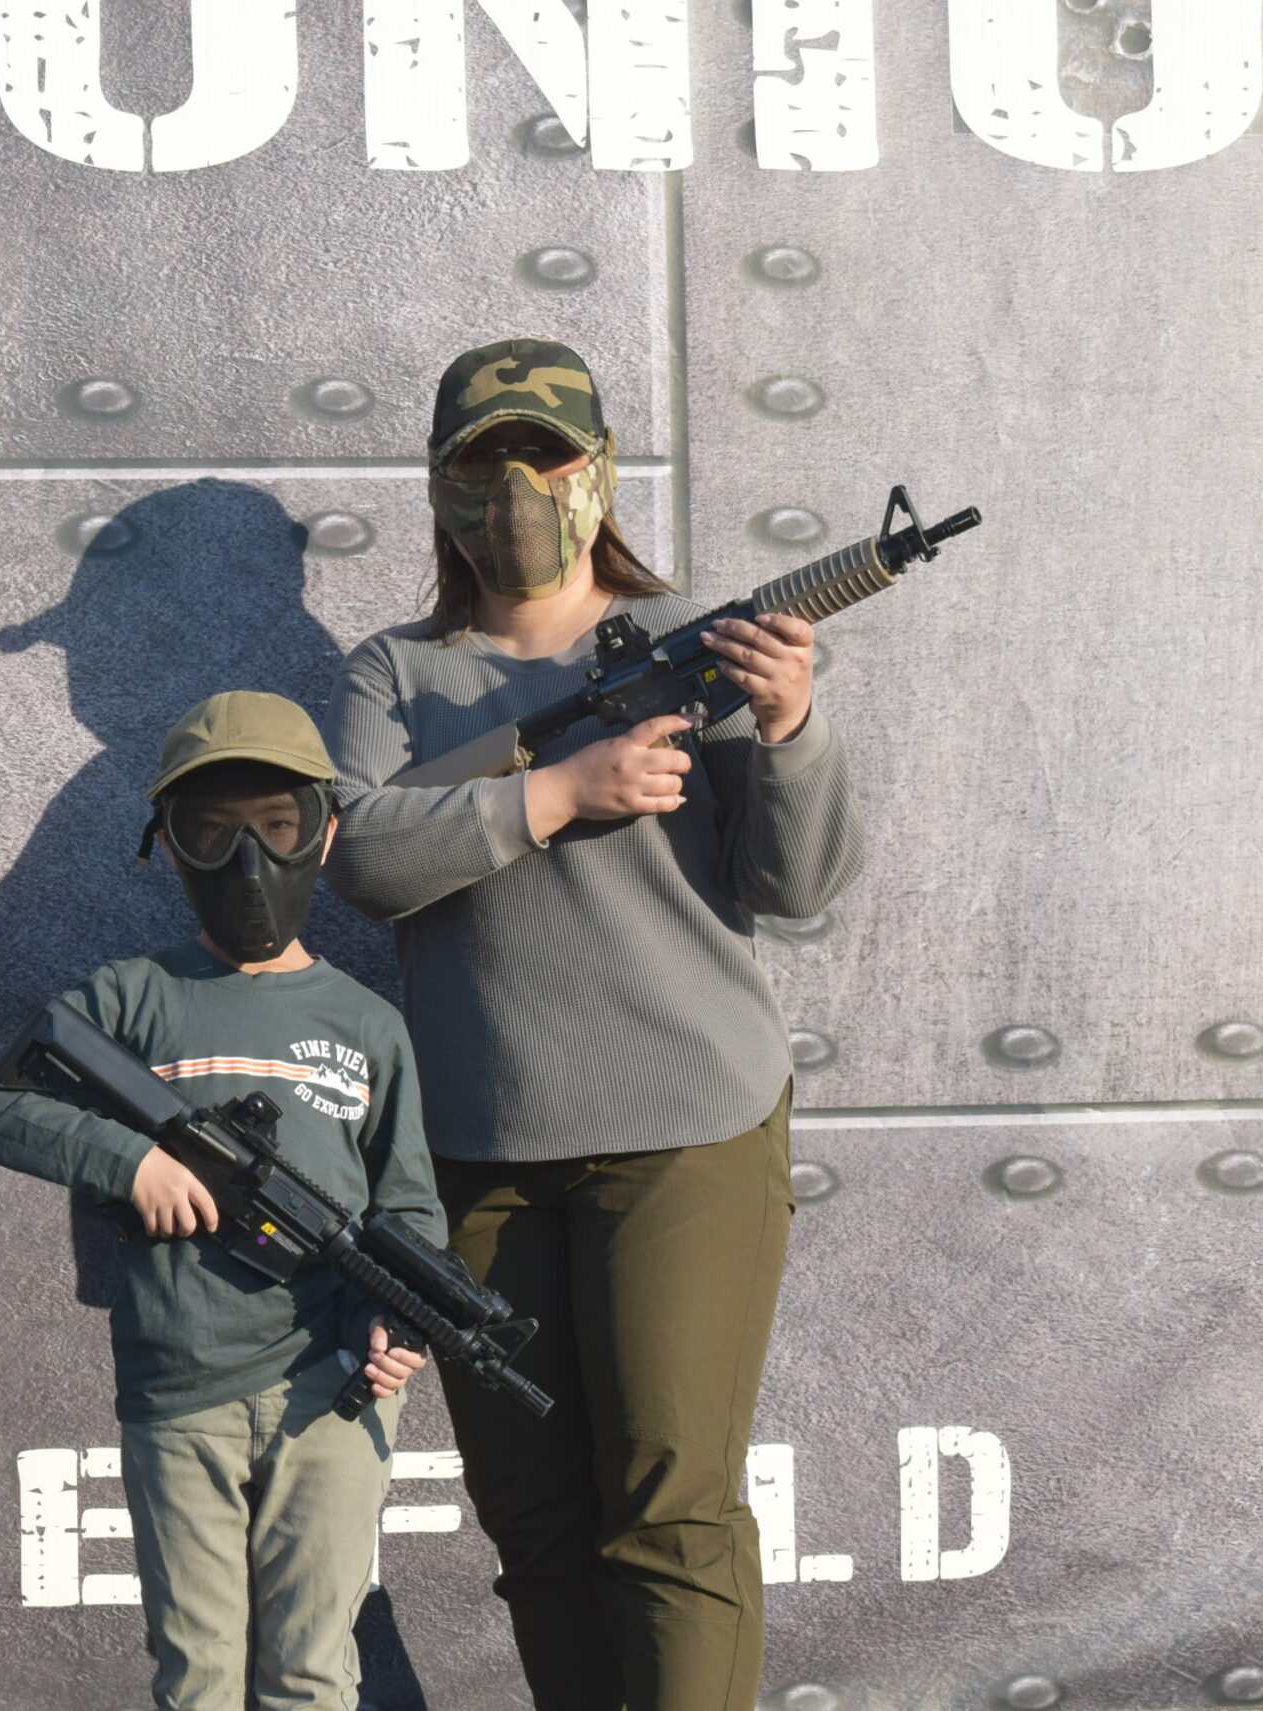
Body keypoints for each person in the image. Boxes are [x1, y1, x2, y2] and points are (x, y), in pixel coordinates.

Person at [321, 338, 865, 1711]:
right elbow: (361, 857)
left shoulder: (701, 640)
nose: (517, 488)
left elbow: (794, 885)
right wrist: (560, 791)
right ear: (437, 485)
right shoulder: (394, 676)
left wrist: (790, 723)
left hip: (686, 1126)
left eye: (545, 454)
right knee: (539, 1526)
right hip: (481, 1149)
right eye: (483, 460)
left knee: (672, 1512)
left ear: (598, 470)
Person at [0, 691, 439, 1711]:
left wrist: (401, 1320)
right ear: (168, 843)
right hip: (179, 1386)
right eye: (211, 831)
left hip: (335, 1390)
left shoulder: (367, 1023)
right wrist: (128, 1162)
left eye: (278, 825)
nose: (248, 859)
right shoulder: (131, 997)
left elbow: (409, 1208)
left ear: (324, 831)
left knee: (313, 1675)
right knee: (197, 1677)